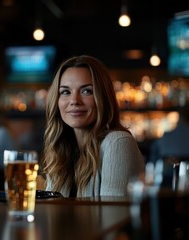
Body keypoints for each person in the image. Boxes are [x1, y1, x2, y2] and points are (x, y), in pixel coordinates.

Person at [42, 55, 145, 197]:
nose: (74, 101)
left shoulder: (118, 143)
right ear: (56, 101)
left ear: (103, 98)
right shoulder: (62, 150)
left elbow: (113, 217)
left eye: (86, 91)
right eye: (65, 92)